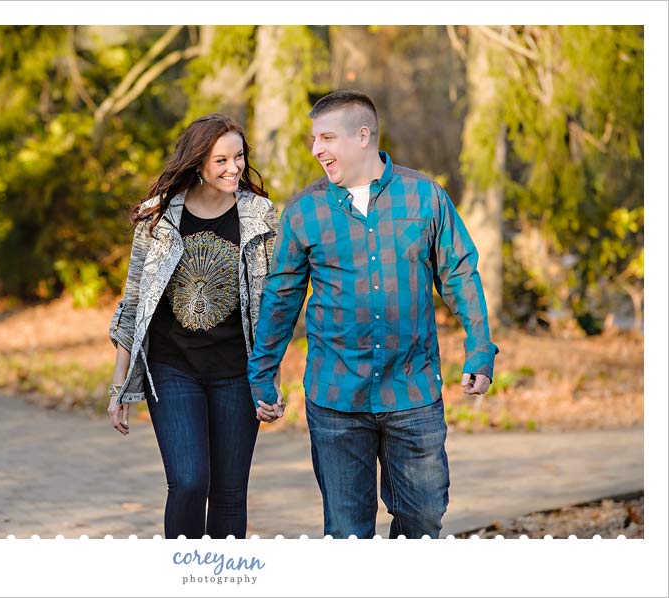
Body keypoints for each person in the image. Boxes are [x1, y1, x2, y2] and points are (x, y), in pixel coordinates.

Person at [247, 90, 499, 539]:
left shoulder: (424, 197)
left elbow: (459, 274)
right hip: (336, 396)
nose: (316, 150)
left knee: (424, 521)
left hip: (413, 392)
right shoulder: (305, 211)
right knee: (347, 534)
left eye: (326, 138)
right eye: (313, 139)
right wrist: (263, 372)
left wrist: (480, 349)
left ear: (363, 136)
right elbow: (281, 296)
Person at [107, 113, 282, 539]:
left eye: (239, 157)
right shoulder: (159, 218)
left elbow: (272, 308)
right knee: (188, 481)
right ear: (198, 162)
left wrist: (269, 381)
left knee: (229, 492)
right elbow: (133, 304)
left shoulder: (260, 216)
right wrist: (119, 387)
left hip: (236, 374)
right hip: (173, 369)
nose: (234, 168)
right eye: (221, 160)